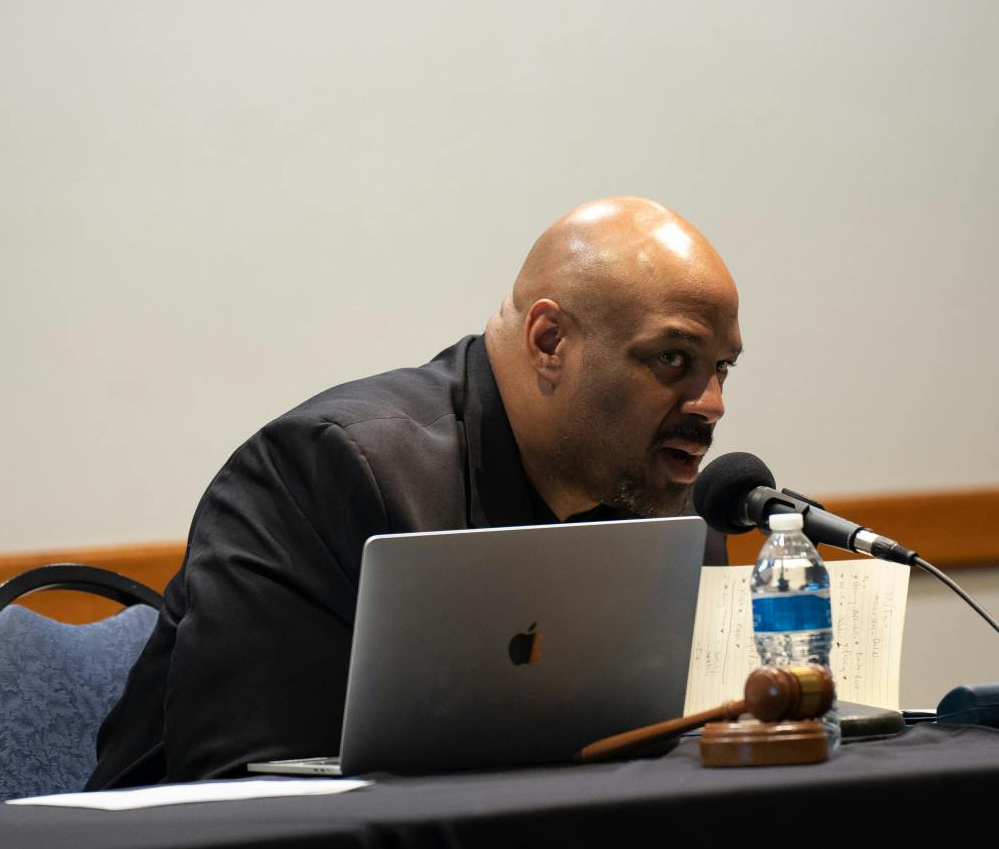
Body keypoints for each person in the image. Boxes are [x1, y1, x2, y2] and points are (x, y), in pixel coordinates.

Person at [87, 196, 744, 786]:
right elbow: (248, 788)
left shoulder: (670, 500)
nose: (710, 403)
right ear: (550, 341)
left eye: (721, 368)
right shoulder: (327, 470)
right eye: (672, 360)